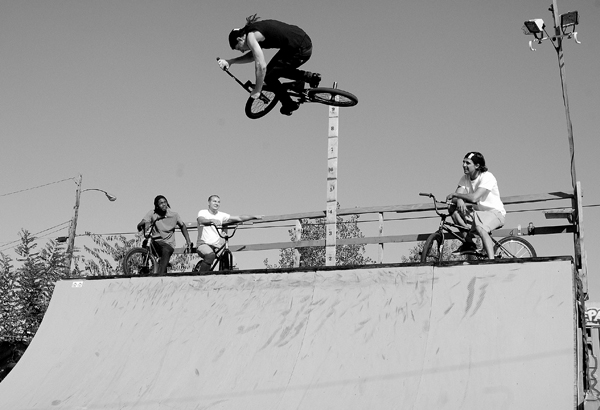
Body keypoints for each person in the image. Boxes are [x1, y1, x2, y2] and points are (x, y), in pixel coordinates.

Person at [217, 14, 321, 116]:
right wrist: (230, 61)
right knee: (275, 70)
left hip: (300, 49)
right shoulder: (254, 31)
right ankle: (309, 78)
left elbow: (261, 67)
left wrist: (258, 89)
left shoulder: (251, 37)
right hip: (299, 42)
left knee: (268, 76)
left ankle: (289, 104)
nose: (242, 51)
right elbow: (252, 57)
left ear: (240, 39)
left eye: (239, 48)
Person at [445, 152, 506, 259]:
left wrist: (457, 195)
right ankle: (469, 243)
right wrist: (459, 198)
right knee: (452, 207)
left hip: (495, 213)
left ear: (477, 166)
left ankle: (491, 261)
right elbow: (454, 199)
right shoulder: (465, 178)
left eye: (468, 163)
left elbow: (474, 198)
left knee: (480, 228)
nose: (464, 165)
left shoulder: (487, 177)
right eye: (463, 162)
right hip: (478, 214)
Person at [196, 195, 262, 272]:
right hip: (203, 244)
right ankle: (201, 276)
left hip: (216, 245)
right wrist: (211, 221)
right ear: (209, 203)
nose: (216, 203)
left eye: (218, 202)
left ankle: (225, 277)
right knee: (210, 255)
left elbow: (239, 218)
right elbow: (201, 220)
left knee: (230, 259)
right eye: (214, 201)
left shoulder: (221, 215)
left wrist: (254, 216)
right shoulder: (203, 212)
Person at [137, 195, 192, 274]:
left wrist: (188, 241)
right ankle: (145, 265)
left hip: (168, 244)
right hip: (156, 243)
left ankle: (161, 274)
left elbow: (182, 226)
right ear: (157, 206)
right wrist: (144, 224)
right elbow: (139, 225)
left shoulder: (174, 215)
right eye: (161, 203)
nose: (164, 204)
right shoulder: (152, 213)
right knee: (146, 242)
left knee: (165, 250)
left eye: (165, 202)